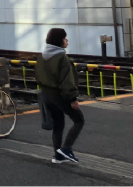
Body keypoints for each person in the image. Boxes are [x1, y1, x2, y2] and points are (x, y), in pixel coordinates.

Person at [35, 27, 84, 164]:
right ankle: (66, 148)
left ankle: (58, 156)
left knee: (58, 125)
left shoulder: (42, 56)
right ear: (59, 41)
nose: (67, 40)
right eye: (64, 38)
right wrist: (73, 99)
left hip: (46, 95)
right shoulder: (62, 57)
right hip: (60, 95)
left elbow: (37, 76)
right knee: (79, 120)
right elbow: (66, 81)